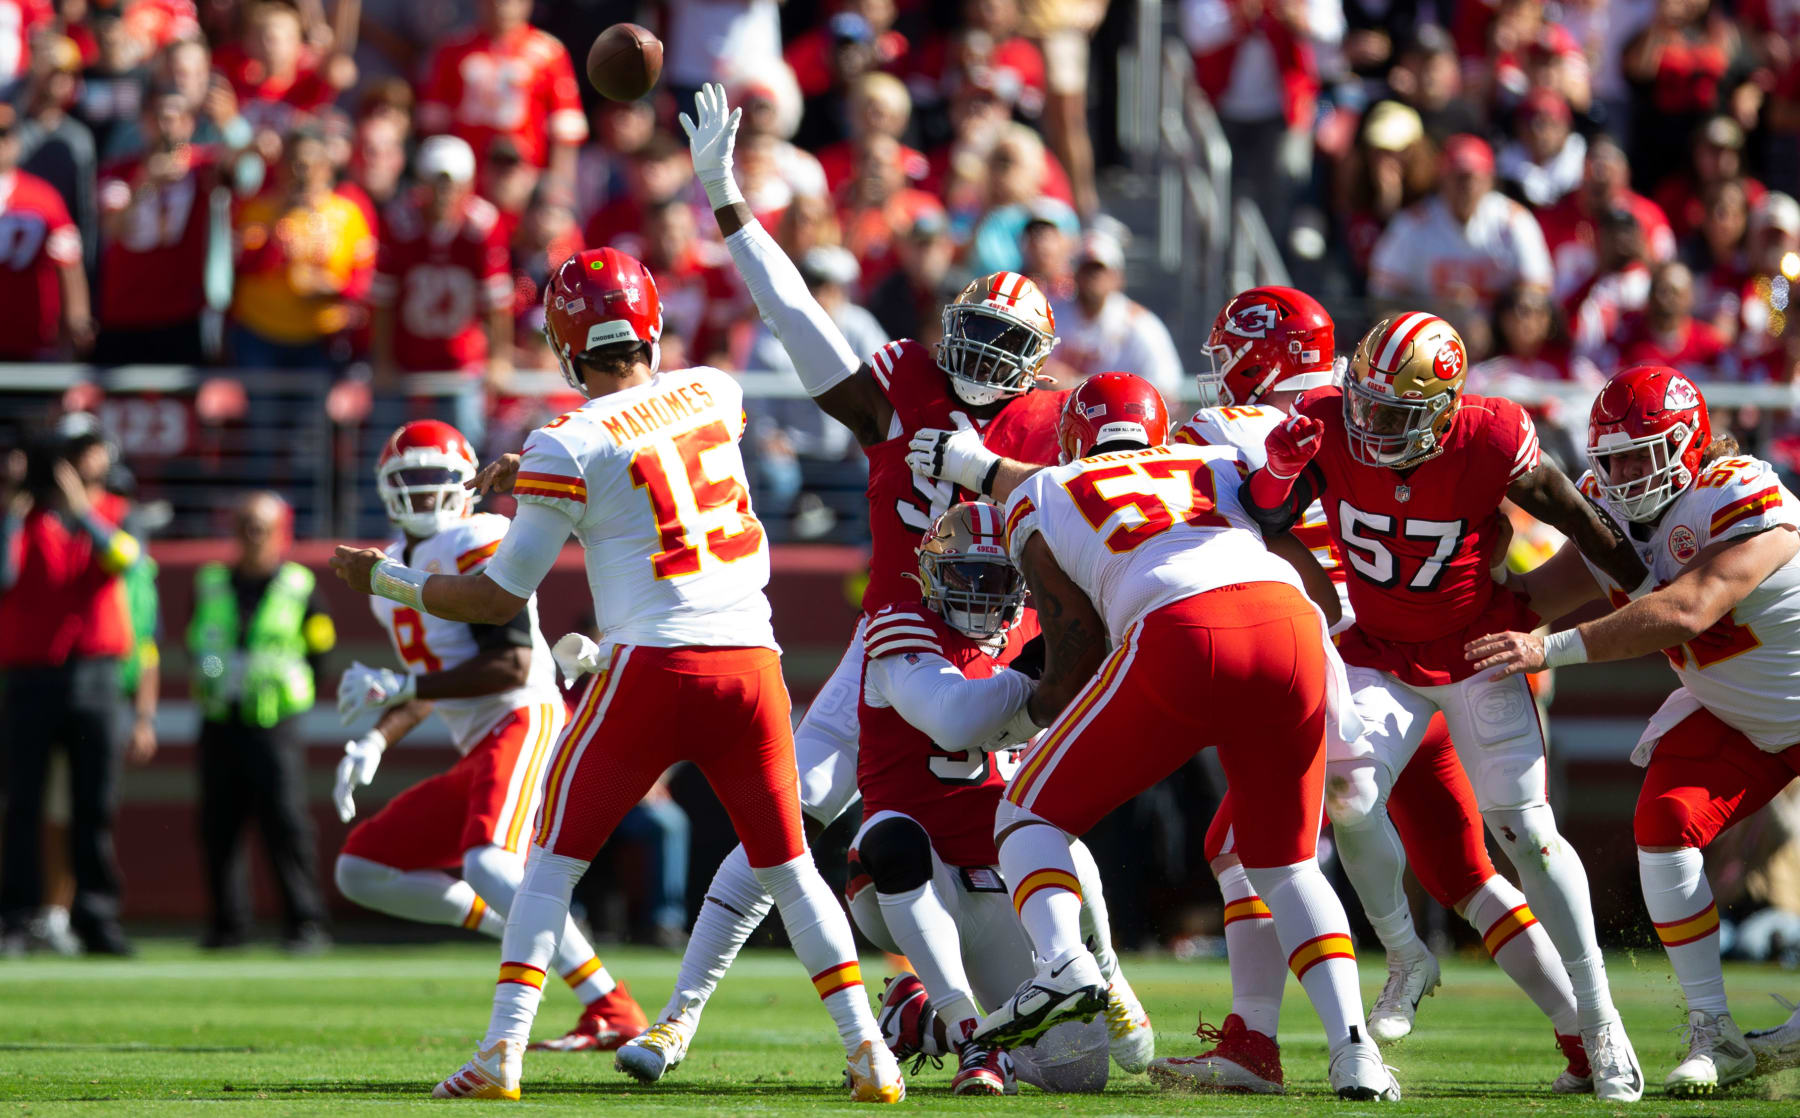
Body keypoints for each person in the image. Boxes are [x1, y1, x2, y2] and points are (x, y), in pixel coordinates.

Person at [910, 289, 1588, 1092]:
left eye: (1231, 356)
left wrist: (975, 468)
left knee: (1228, 839)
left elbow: (1094, 506)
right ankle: (1481, 1042)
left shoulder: (1222, 441)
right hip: (1380, 654)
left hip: (1322, 655)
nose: (1220, 374)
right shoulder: (1354, 412)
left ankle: (1356, 975)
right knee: (1429, 869)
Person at [653, 83, 1153, 1080]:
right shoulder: (902, 385)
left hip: (1006, 650)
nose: (979, 356)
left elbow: (1123, 508)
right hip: (895, 645)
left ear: (1040, 365)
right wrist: (730, 204)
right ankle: (678, 1015)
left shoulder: (1054, 428)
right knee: (785, 816)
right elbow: (794, 314)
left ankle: (1068, 983)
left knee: (1033, 852)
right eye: (973, 332)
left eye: (1007, 348)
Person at [330, 245, 906, 1103]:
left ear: (567, 348)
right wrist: (535, 480)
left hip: (654, 665)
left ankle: (502, 1054)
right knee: (789, 869)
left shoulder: (567, 440)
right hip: (753, 664)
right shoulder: (717, 389)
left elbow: (494, 598)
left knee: (552, 866)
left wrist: (387, 578)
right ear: (652, 326)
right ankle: (870, 1053)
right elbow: (655, 464)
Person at [1237, 311, 1652, 1100]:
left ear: (1444, 407)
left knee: (1527, 834)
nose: (1369, 422)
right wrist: (1280, 476)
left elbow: (1576, 517)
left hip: (1475, 646)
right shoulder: (1330, 420)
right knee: (1350, 795)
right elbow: (1268, 518)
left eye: (1394, 411)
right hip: (1381, 648)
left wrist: (1648, 593)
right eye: (1364, 400)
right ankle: (1402, 951)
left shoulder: (1492, 436)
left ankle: (1601, 1025)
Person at [968, 372, 1399, 1101]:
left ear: (1075, 436)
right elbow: (1290, 538)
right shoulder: (1215, 461)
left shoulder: (1043, 488)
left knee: (1027, 810)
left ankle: (1065, 961)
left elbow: (1073, 632)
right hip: (1293, 629)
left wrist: (1029, 710)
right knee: (1288, 865)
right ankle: (1355, 1052)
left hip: (1180, 629)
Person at [1466, 364, 1800, 1095]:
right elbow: (1536, 597)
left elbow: (1688, 608)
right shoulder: (1604, 508)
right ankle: (1715, 1031)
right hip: (1737, 711)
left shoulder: (1741, 493)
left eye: (1637, 454)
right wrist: (1481, 566)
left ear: (1688, 444)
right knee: (1666, 823)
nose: (1619, 473)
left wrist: (1551, 649)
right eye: (1608, 456)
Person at [331, 420, 646, 1052]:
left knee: (489, 863)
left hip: (525, 716)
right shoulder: (386, 573)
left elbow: (508, 664)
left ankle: (612, 1008)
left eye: (436, 480)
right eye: (408, 483)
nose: (423, 497)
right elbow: (430, 681)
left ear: (466, 483)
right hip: (481, 745)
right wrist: (377, 738)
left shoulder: (480, 537)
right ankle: (520, 923)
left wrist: (401, 690)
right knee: (361, 869)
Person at [847, 502, 1110, 1095]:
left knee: (1077, 1073)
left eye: (998, 579)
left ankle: (917, 1018)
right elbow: (955, 721)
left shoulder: (1038, 632)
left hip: (998, 881)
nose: (983, 595)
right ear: (932, 573)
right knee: (894, 835)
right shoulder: (902, 626)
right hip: (910, 878)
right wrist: (1038, 688)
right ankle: (973, 1041)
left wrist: (1047, 678)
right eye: (967, 575)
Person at [0, 424, 141, 955]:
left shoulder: (114, 512)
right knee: (22, 803)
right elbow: (4, 577)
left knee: (94, 802)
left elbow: (124, 561)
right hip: (30, 675)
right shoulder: (20, 518)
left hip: (95, 675)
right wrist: (13, 512)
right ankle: (15, 916)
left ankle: (96, 916)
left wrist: (82, 510)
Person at [188, 491, 334, 952]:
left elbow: (320, 649)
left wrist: (292, 693)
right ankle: (228, 926)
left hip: (275, 723)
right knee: (218, 825)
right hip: (220, 720)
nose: (252, 536)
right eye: (245, 526)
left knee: (286, 824)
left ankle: (304, 924)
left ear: (279, 533)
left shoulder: (300, 585)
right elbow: (199, 644)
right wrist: (212, 675)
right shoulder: (210, 582)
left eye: (261, 527)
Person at [368, 136, 512, 437]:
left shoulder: (481, 227)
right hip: (406, 359)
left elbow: (497, 301)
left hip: (461, 362)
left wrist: (499, 357)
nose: (444, 193)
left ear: (468, 185)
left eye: (453, 184)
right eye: (437, 183)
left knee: (464, 442)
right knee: (390, 442)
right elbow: (383, 299)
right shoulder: (399, 223)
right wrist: (382, 361)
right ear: (421, 182)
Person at [94, 83, 220, 365]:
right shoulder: (118, 171)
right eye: (157, 117)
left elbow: (243, 170)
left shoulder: (204, 168)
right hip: (124, 310)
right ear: (143, 123)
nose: (165, 126)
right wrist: (145, 183)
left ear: (189, 124)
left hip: (181, 313)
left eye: (174, 118)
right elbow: (113, 229)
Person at [230, 125, 374, 369]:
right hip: (261, 333)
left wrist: (332, 287)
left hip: (321, 339)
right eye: (294, 163)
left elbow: (364, 279)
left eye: (310, 164)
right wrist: (276, 231)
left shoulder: (348, 214)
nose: (301, 173)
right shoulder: (258, 210)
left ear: (327, 168)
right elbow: (244, 267)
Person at [1367, 135, 1553, 315]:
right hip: (1427, 337)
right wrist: (1432, 312)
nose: (1467, 188)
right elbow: (1382, 296)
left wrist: (1495, 322)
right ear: (1442, 178)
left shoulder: (1514, 222)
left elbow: (1539, 290)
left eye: (1474, 178)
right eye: (1459, 178)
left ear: (1489, 180)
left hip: (1500, 340)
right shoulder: (1412, 225)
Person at [418, 0, 587, 190]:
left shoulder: (549, 52)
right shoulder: (452, 51)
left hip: (525, 180)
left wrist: (558, 190)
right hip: (464, 183)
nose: (501, 5)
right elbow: (433, 126)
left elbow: (565, 134)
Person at [0, 102, 93, 360]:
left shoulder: (43, 198)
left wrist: (77, 320)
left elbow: (69, 263)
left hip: (33, 339)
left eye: (3, 133)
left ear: (16, 140)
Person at [1051, 230, 1184, 399]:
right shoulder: (1053, 316)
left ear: (1118, 277)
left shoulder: (1140, 324)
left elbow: (1167, 387)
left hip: (1122, 421)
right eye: (1086, 269)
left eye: (1099, 270)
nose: (1092, 278)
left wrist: (1084, 386)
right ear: (1075, 274)